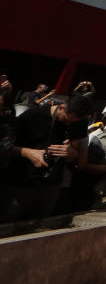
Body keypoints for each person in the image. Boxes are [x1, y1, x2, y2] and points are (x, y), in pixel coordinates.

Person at [0, 94, 95, 222]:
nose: (69, 123)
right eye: (67, 119)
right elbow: (5, 146)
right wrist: (29, 153)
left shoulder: (79, 122)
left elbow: (74, 155)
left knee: (41, 226)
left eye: (74, 122)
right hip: (21, 184)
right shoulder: (33, 115)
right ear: (61, 107)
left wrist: (72, 153)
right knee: (10, 225)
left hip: (51, 185)